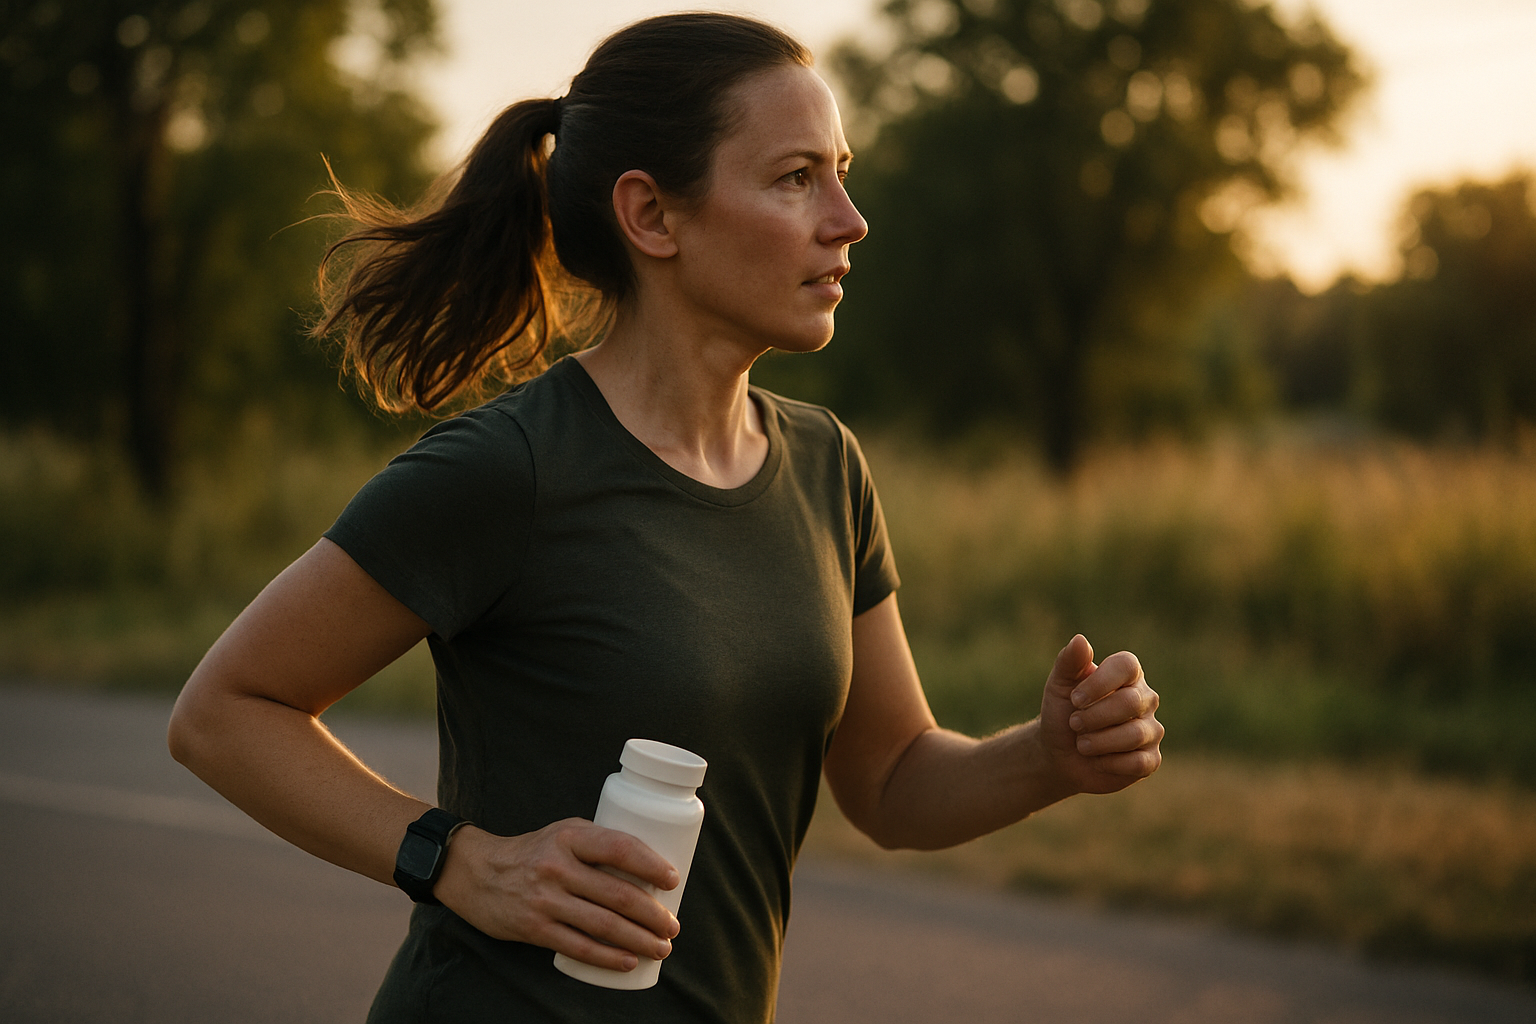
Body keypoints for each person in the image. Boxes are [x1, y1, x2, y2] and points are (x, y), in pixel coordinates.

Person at [167, 12, 1163, 1024]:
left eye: (842, 171)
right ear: (651, 216)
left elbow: (894, 781)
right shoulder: (510, 469)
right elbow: (225, 711)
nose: (849, 218)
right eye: (795, 178)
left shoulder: (827, 466)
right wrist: (458, 860)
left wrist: (1047, 758)